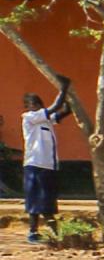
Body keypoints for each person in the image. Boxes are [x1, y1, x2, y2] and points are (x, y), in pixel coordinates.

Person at [22, 84, 71, 240]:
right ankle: (33, 232)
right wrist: (63, 89)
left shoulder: (46, 121)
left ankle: (54, 233)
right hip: (35, 164)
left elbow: (63, 112)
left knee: (48, 199)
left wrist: (70, 99)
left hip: (49, 165)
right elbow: (54, 107)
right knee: (34, 200)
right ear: (28, 107)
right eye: (32, 104)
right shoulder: (29, 118)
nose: (36, 106)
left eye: (38, 103)